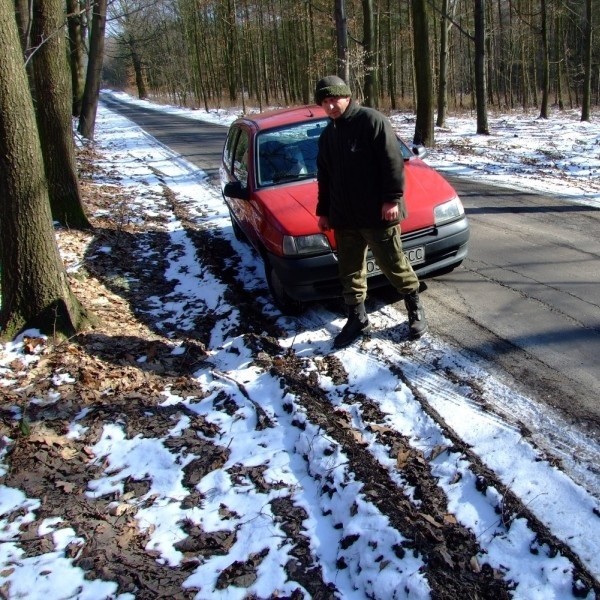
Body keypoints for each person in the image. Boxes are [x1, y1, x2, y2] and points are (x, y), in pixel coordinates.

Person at [314, 75, 428, 348]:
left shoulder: (371, 121)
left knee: (394, 264)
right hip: (344, 218)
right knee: (349, 272)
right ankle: (357, 319)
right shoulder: (328, 135)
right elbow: (324, 177)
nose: (330, 107)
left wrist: (392, 199)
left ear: (347, 97)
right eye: (325, 102)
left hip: (378, 214)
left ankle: (414, 308)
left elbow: (392, 162)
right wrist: (324, 211)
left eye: (335, 100)